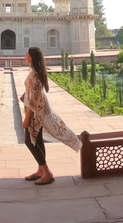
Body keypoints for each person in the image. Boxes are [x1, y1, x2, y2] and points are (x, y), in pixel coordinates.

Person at [20, 46, 82, 185]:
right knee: (38, 140)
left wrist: (27, 118)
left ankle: (47, 173)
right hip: (40, 111)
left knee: (30, 141)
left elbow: (34, 99)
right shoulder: (36, 72)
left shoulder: (34, 75)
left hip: (36, 113)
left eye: (27, 54)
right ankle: (40, 170)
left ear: (32, 57)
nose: (24, 55)